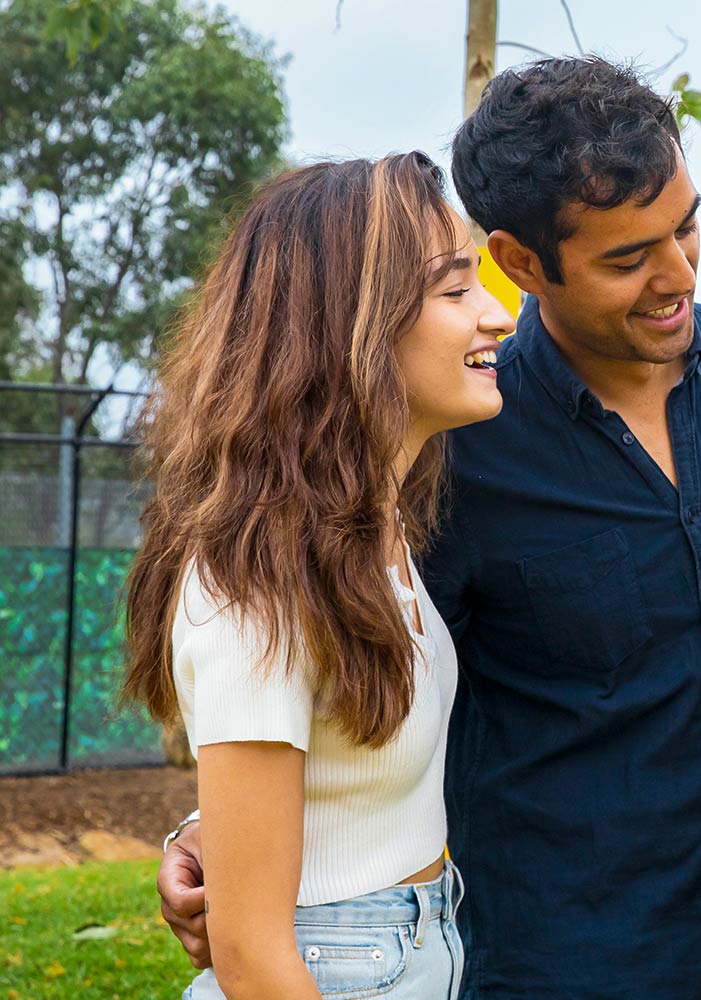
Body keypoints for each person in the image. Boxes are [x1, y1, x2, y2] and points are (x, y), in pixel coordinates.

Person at [156, 59, 701, 1000]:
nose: (677, 274)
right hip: (548, 962)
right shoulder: (448, 450)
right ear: (523, 260)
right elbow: (317, 675)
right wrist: (219, 827)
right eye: (627, 258)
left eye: (687, 225)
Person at [122, 152, 516, 999]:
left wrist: (201, 831)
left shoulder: (370, 533)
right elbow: (256, 957)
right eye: (456, 292)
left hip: (401, 946)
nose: (497, 316)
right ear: (355, 329)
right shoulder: (257, 584)